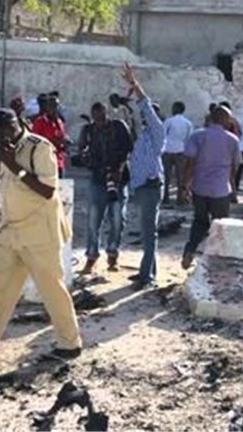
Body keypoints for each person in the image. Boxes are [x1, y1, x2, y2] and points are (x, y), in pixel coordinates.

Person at [0, 109, 81, 370]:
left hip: (40, 235)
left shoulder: (39, 147)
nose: (3, 138)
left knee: (52, 290)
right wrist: (6, 161)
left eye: (6, 132)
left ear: (17, 123)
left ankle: (70, 344)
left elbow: (48, 190)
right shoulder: (5, 150)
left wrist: (16, 167)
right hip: (11, 233)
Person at [122, 64, 166, 290]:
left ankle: (147, 276)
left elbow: (145, 106)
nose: (144, 117)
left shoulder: (157, 133)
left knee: (149, 232)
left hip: (150, 187)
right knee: (147, 231)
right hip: (142, 187)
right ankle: (147, 270)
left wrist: (135, 84)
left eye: (148, 116)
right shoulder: (143, 137)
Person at [181, 105, 241, 270]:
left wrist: (184, 186)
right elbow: (234, 168)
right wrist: (233, 188)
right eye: (229, 118)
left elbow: (190, 164)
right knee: (221, 226)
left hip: (199, 188)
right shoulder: (233, 140)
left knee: (199, 221)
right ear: (224, 120)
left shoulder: (197, 136)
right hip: (221, 190)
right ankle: (215, 260)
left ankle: (190, 250)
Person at [78, 101, 133, 273]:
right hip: (98, 179)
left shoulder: (118, 126)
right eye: (96, 117)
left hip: (118, 180)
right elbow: (81, 151)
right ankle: (91, 257)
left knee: (117, 220)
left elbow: (128, 149)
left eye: (102, 116)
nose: (99, 120)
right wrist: (88, 159)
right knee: (93, 221)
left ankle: (112, 255)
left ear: (106, 113)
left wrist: (118, 170)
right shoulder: (88, 131)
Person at [162, 101, 193, 205]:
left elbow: (163, 135)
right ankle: (180, 198)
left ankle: (165, 197)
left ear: (175, 109)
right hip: (181, 151)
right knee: (180, 176)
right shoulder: (188, 123)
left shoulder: (169, 121)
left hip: (168, 150)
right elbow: (189, 139)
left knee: (166, 176)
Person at [32, 94, 70, 178]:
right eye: (52, 106)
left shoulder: (59, 122)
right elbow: (35, 140)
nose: (54, 108)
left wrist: (65, 143)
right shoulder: (40, 122)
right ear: (47, 107)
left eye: (56, 106)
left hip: (58, 161)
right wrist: (55, 141)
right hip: (45, 162)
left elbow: (62, 136)